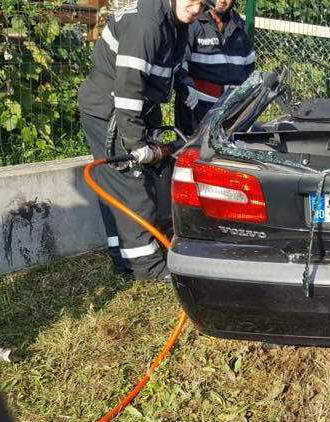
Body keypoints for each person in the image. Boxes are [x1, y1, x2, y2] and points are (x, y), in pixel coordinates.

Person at [78, 0, 206, 281]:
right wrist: (137, 145)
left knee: (114, 185)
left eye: (204, 5)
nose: (197, 9)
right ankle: (147, 267)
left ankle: (122, 259)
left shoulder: (175, 21)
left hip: (134, 106)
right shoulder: (148, 23)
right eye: (194, 0)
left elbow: (169, 65)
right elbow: (128, 88)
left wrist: (185, 85)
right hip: (111, 108)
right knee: (133, 182)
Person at [175, 0, 256, 136]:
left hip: (232, 110)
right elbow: (179, 62)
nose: (222, 1)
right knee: (194, 148)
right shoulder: (193, 22)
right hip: (197, 109)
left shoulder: (240, 26)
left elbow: (250, 71)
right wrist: (186, 86)